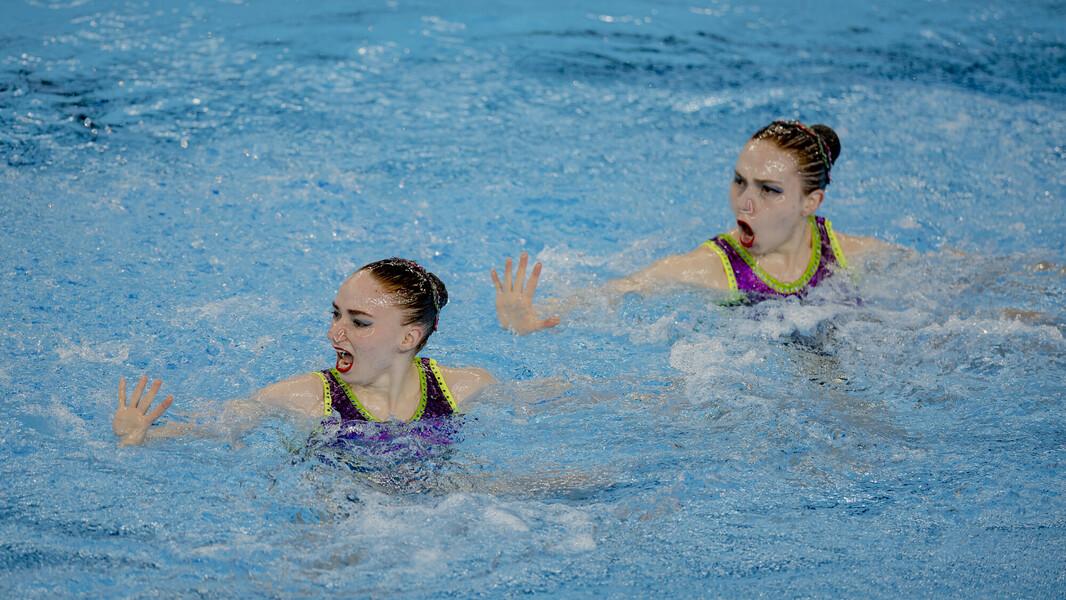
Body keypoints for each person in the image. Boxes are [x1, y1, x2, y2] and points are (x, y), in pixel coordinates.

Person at [492, 120, 893, 334]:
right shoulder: (713, 269)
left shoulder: (846, 253)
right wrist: (533, 316)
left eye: (769, 190)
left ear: (812, 202)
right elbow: (623, 290)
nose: (745, 201)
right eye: (740, 181)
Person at [113, 258, 495, 447]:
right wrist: (148, 434)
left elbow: (550, 399)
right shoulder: (307, 398)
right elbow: (221, 424)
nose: (334, 333)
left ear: (408, 338)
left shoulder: (459, 389)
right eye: (336, 314)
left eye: (359, 322)